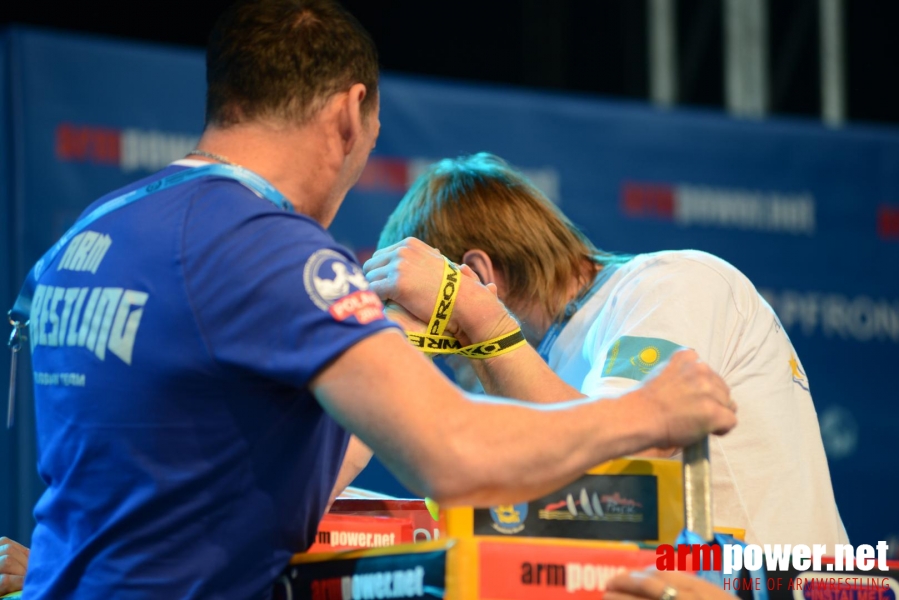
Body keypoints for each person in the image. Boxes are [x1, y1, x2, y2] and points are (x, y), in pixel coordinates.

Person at [10, 1, 736, 598]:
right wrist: (648, 411)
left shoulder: (96, 228)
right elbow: (453, 454)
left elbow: (228, 460)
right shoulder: (261, 241)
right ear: (350, 113)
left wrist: (391, 347)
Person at [367, 152, 848, 548]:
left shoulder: (669, 284)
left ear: (478, 274)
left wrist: (477, 319)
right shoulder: (542, 361)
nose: (461, 367)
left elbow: (622, 455)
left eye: (450, 344)